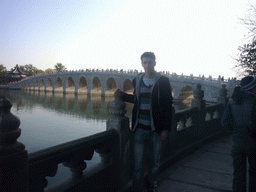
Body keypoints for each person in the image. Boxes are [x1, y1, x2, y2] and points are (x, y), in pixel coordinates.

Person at [116, 52, 173, 192]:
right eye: (145, 62)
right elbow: (137, 100)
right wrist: (122, 95)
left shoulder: (163, 81)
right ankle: (137, 189)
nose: (148, 65)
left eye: (150, 62)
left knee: (154, 163)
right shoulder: (137, 80)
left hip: (156, 130)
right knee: (138, 165)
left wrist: (166, 129)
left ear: (155, 63)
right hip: (139, 130)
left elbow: (168, 106)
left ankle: (152, 186)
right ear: (141, 64)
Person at [221, 76, 256, 192]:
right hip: (253, 143)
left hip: (237, 143)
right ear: (252, 87)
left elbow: (225, 122)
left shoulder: (232, 101)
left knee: (238, 175)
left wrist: (236, 130)